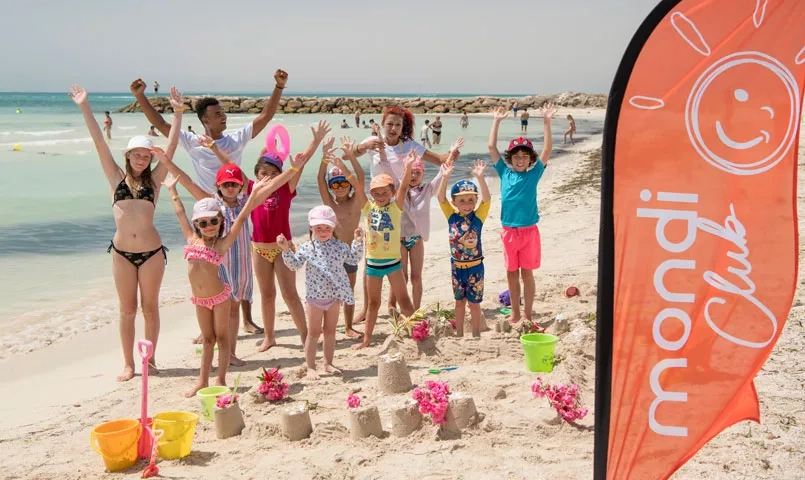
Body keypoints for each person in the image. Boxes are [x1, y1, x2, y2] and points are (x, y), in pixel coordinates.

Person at [69, 84, 175, 382]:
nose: (142, 160)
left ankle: (150, 360)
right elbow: (99, 142)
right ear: (128, 155)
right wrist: (84, 106)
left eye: (147, 156)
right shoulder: (115, 177)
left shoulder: (154, 182)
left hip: (152, 253)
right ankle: (129, 364)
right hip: (121, 255)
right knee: (127, 309)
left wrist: (177, 115)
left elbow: (173, 146)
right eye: (137, 155)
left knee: (150, 308)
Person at [164, 164, 294, 397]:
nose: (209, 227)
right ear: (197, 225)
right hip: (200, 300)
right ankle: (202, 382)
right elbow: (180, 213)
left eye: (213, 222)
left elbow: (243, 215)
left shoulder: (222, 243)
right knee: (207, 340)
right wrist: (172, 191)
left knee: (222, 339)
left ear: (220, 222)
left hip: (220, 297)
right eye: (203, 223)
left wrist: (254, 193)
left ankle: (221, 379)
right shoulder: (192, 239)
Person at [155, 142, 262, 366]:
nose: (231, 187)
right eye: (226, 184)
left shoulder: (246, 202)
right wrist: (166, 162)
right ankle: (213, 342)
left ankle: (230, 353)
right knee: (216, 307)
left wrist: (293, 169)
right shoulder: (212, 205)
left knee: (234, 309)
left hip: (240, 263)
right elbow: (188, 183)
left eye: (235, 183)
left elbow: (265, 186)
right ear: (218, 186)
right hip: (218, 265)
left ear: (240, 185)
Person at [349, 105, 457, 323]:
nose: (393, 128)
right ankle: (366, 307)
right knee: (372, 256)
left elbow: (438, 159)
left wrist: (453, 153)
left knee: (394, 256)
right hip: (377, 205)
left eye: (398, 125)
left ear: (403, 127)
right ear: (383, 124)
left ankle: (393, 304)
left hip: (401, 205)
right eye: (389, 124)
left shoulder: (409, 145)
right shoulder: (372, 142)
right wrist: (365, 146)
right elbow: (349, 154)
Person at [129, 68, 287, 193]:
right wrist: (140, 96)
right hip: (207, 204)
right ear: (205, 121)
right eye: (218, 114)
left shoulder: (236, 139)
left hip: (236, 203)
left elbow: (266, 116)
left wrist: (279, 86)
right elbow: (160, 123)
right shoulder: (192, 141)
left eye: (223, 113)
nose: (223, 116)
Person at [250, 121, 330, 352]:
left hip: (282, 249)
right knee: (266, 295)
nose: (268, 177)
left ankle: (306, 336)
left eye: (274, 174)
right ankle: (269, 337)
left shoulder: (286, 188)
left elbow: (300, 162)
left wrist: (315, 141)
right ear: (256, 175)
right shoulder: (251, 190)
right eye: (263, 173)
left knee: (290, 294)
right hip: (258, 249)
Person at [488, 104, 557, 325]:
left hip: (529, 232)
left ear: (530, 160)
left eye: (524, 156)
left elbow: (547, 149)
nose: (520, 159)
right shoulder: (504, 172)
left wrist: (546, 121)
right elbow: (491, 146)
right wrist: (496, 121)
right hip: (509, 232)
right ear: (510, 158)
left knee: (527, 274)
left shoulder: (534, 174)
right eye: (516, 156)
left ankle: (527, 313)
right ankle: (515, 313)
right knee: (511, 274)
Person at [278, 205, 364, 379]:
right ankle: (310, 366)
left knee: (331, 331)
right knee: (314, 333)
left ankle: (328, 363)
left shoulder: (340, 246)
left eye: (327, 228)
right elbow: (294, 265)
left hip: (333, 297)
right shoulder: (306, 248)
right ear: (311, 228)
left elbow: (354, 259)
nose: (323, 231)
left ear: (333, 227)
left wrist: (357, 242)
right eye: (318, 228)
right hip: (314, 298)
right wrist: (285, 249)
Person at [379, 139, 462, 312]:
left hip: (417, 239)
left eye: (418, 172)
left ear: (423, 174)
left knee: (416, 278)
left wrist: (451, 153)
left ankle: (415, 310)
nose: (414, 176)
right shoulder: (396, 189)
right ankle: (394, 305)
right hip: (399, 240)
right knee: (402, 277)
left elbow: (442, 173)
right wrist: (381, 149)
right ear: (405, 172)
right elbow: (386, 166)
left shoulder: (427, 190)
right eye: (412, 172)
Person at [353, 152, 418, 349]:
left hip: (393, 263)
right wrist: (349, 157)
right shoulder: (367, 208)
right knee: (373, 304)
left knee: (405, 301)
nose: (380, 197)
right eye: (376, 193)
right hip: (373, 264)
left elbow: (405, 186)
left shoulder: (395, 208)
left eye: (384, 193)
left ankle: (418, 331)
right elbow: (357, 184)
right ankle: (366, 339)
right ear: (371, 194)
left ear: (391, 192)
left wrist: (407, 167)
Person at [316, 136, 366, 338]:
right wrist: (324, 157)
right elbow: (320, 180)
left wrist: (350, 157)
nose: (340, 188)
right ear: (330, 188)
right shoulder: (330, 205)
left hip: (349, 254)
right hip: (330, 255)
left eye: (344, 183)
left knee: (349, 291)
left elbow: (361, 178)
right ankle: (326, 326)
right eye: (335, 185)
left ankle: (348, 327)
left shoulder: (355, 203)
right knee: (327, 293)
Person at [437, 159, 491, 337]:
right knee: (459, 302)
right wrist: (445, 178)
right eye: (462, 200)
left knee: (474, 304)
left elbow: (487, 200)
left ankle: (476, 334)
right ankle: (458, 333)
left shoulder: (478, 218)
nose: (467, 204)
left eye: (470, 200)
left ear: (475, 201)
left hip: (475, 268)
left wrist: (480, 178)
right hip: (456, 268)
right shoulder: (451, 217)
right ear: (455, 203)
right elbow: (440, 198)